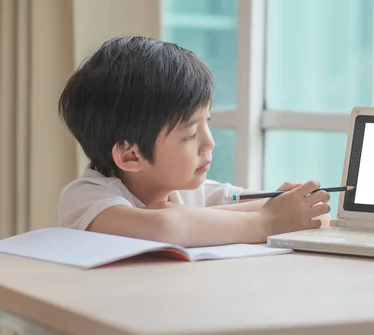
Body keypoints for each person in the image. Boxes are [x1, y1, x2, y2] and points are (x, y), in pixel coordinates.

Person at [57, 36, 330, 247]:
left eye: (206, 123)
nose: (209, 143)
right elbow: (165, 227)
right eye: (189, 134)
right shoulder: (85, 198)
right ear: (130, 156)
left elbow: (299, 213)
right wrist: (266, 222)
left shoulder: (187, 191)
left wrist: (289, 205)